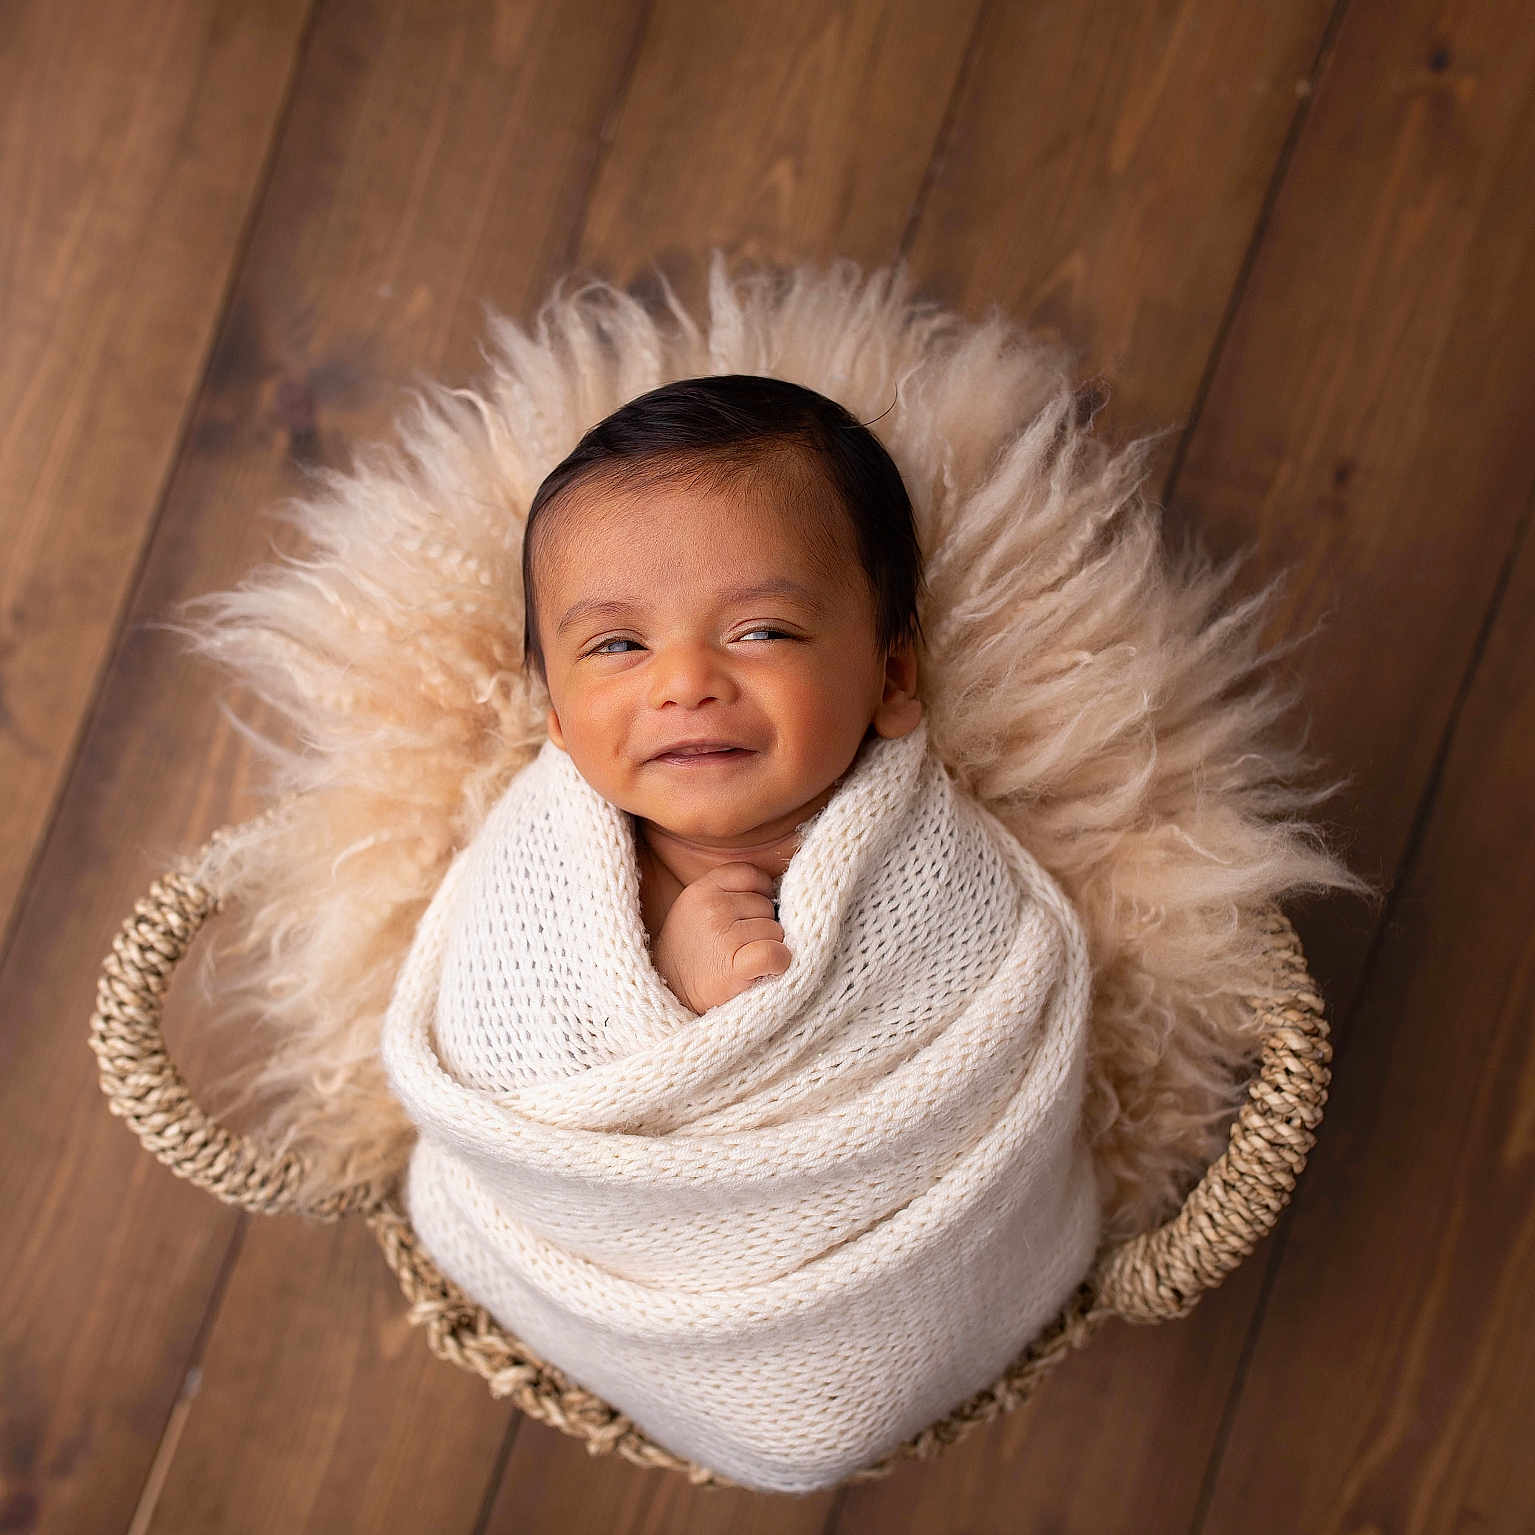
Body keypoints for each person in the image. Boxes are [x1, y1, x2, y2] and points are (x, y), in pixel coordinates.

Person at [518, 374, 927, 1014]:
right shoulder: (542, 890)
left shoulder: (928, 875)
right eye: (619, 646)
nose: (685, 684)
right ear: (561, 721)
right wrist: (668, 991)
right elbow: (505, 1053)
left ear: (892, 678)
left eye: (760, 632)